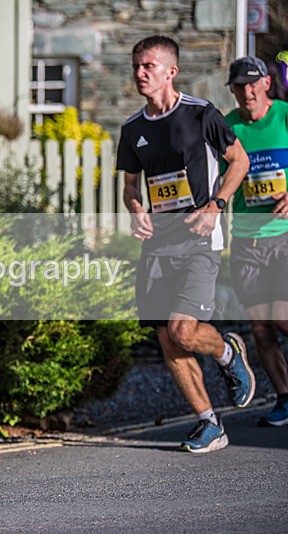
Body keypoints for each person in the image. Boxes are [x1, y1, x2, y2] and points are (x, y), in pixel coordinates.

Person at [117, 36, 254, 453]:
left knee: (184, 329)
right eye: (137, 66)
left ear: (170, 71)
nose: (140, 73)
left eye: (149, 66)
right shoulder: (133, 130)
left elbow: (240, 161)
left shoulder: (200, 115)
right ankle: (208, 422)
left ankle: (228, 352)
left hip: (200, 239)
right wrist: (136, 209)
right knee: (167, 338)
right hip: (158, 247)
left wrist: (217, 205)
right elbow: (129, 186)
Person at [224, 56, 288, 427]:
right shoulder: (227, 126)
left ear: (266, 83)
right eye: (238, 86)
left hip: (283, 237)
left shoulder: (283, 116)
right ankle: (284, 398)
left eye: (252, 84)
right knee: (260, 327)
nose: (246, 92)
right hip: (246, 241)